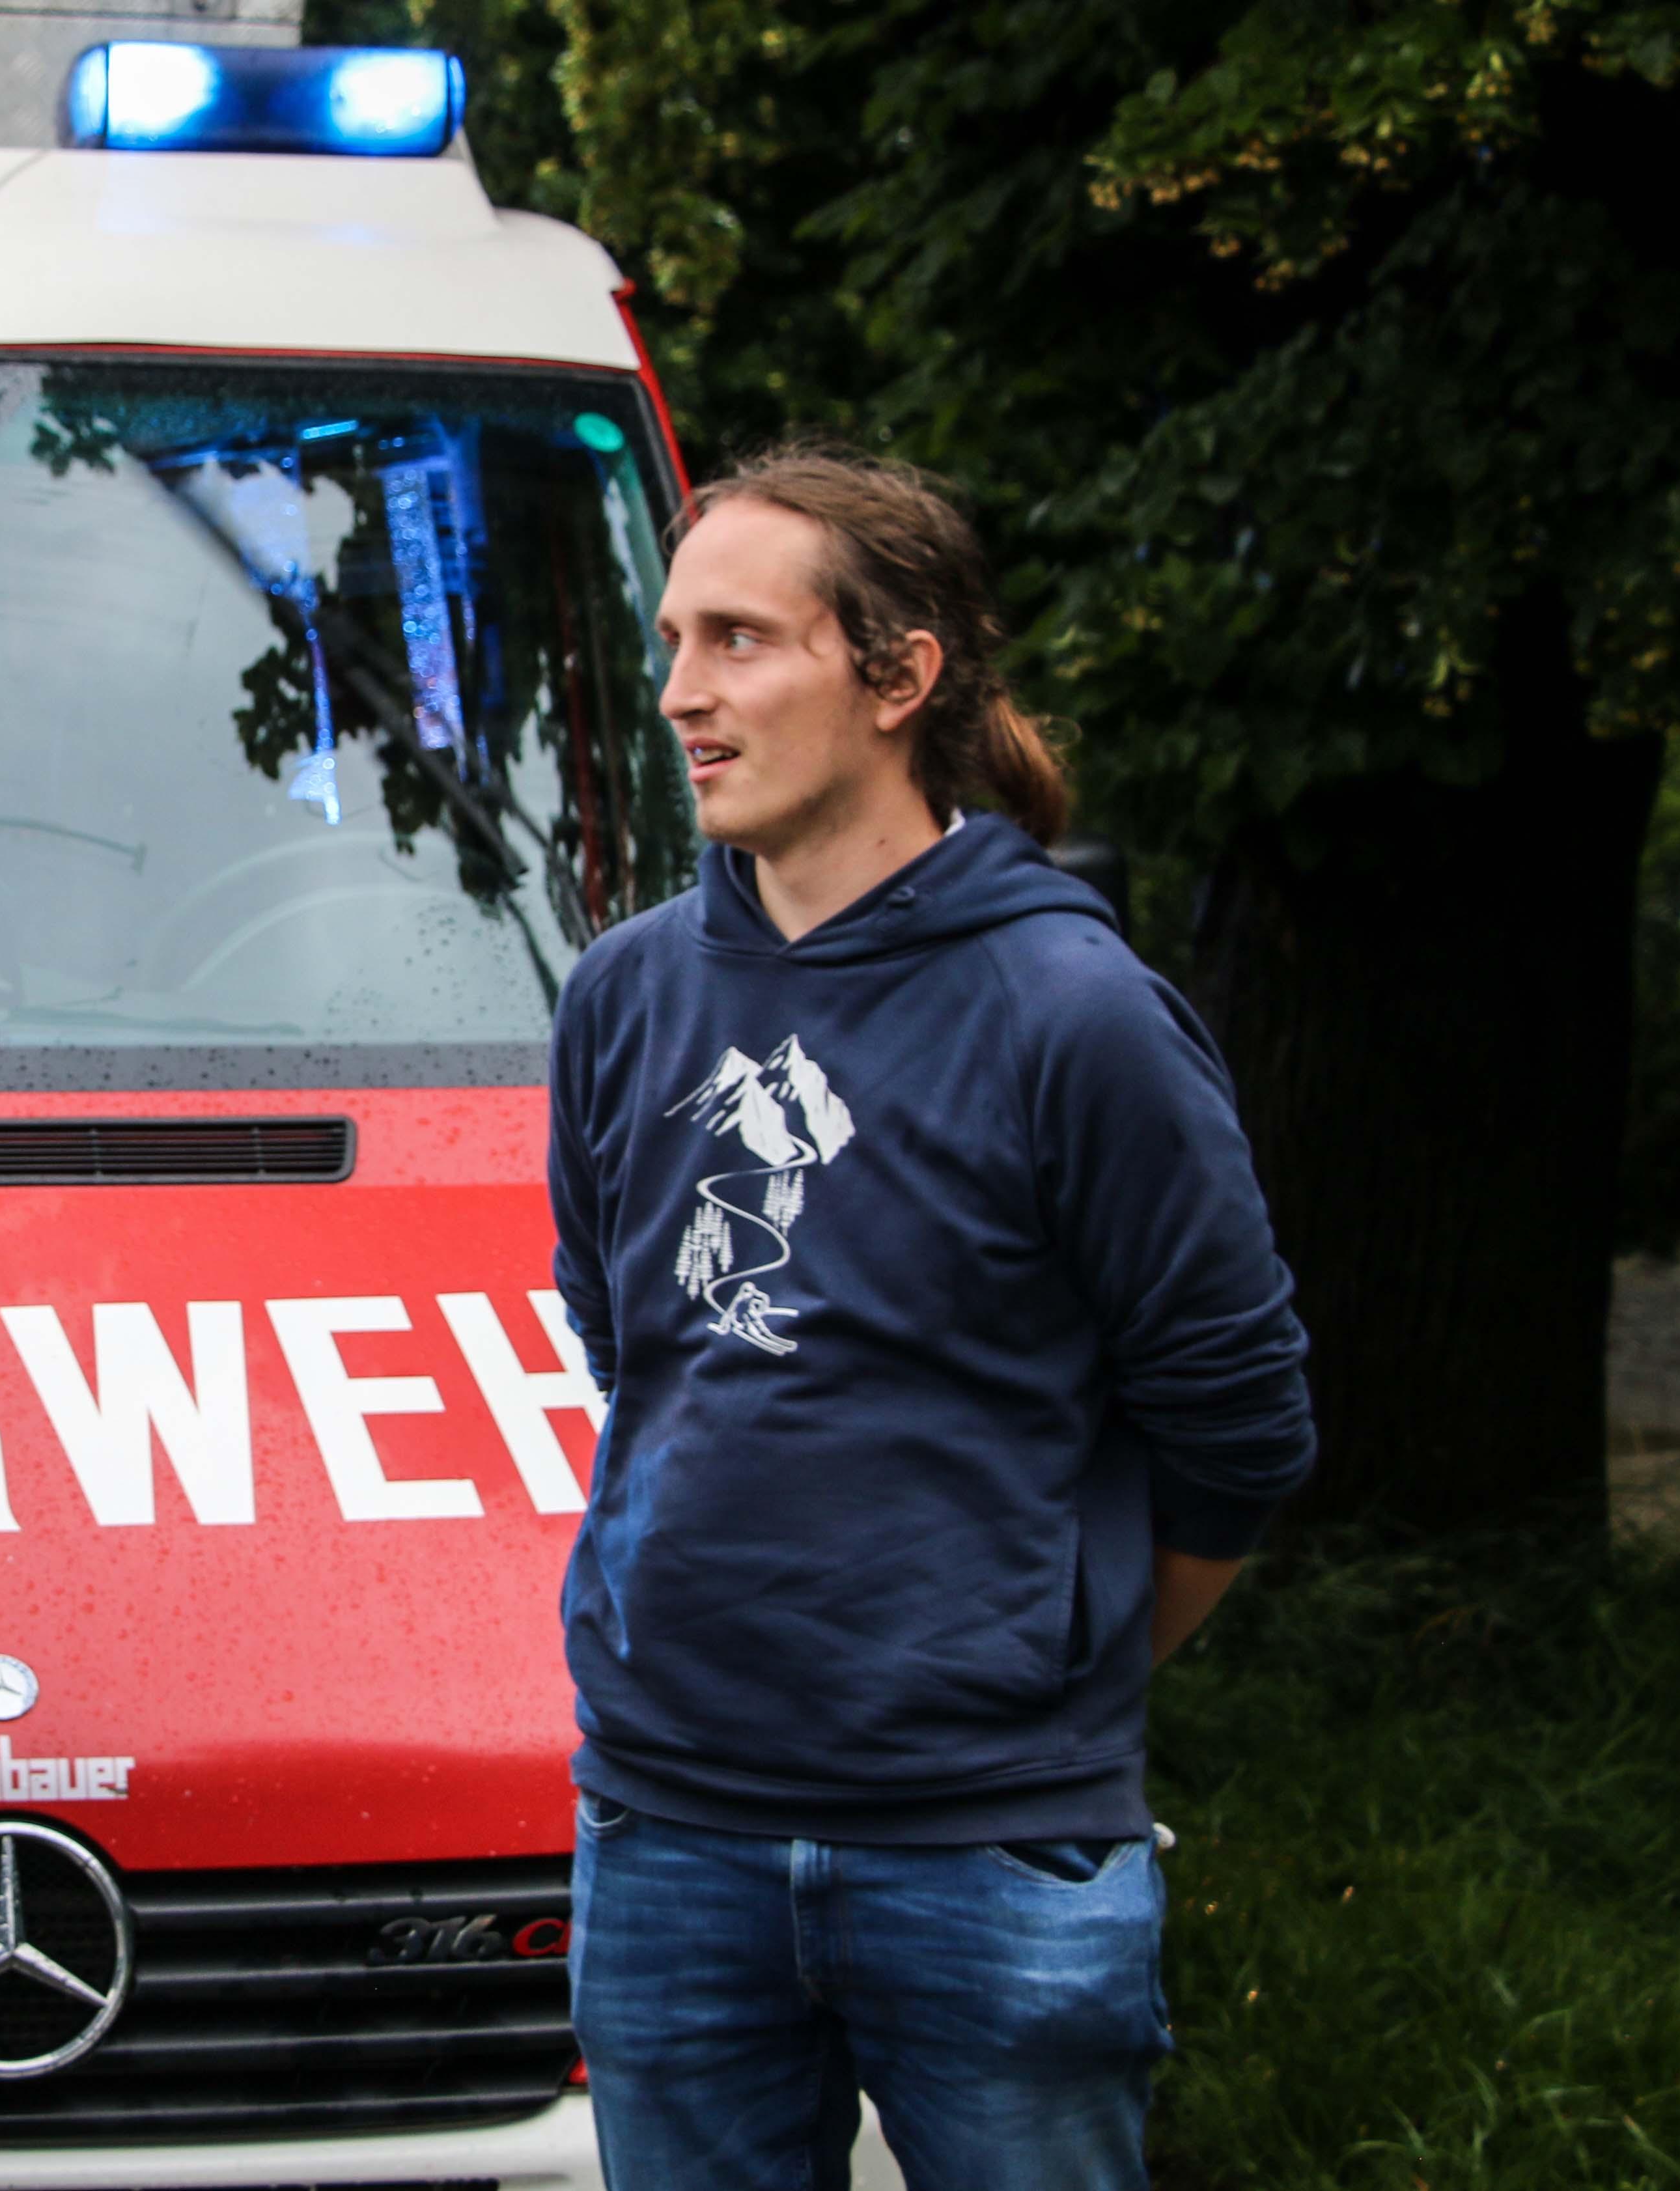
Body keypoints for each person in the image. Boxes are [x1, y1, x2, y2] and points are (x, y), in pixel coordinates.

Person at [547, 445, 1316, 2190]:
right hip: (668, 1836)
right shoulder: (622, 995)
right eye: (673, 643)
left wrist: (1047, 1663)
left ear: (900, 677)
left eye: (742, 641)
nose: (679, 695)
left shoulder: (1074, 1011)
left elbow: (1242, 1429)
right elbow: (639, 1348)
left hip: (990, 1859)